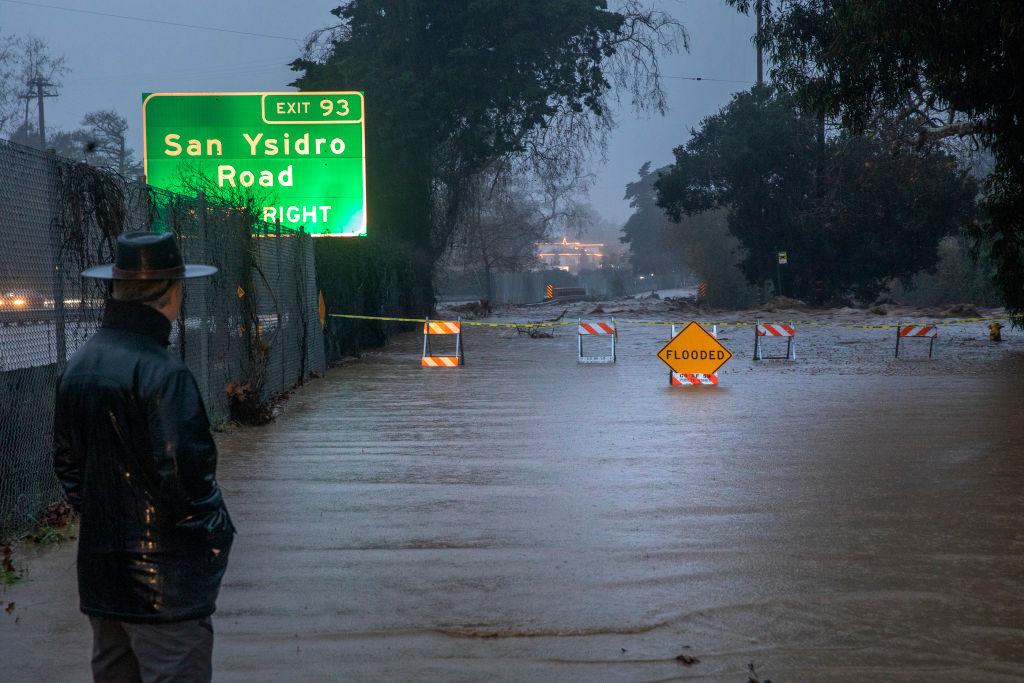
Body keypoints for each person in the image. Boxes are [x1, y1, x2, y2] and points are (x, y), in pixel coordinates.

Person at [54, 231, 235, 682]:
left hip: (102, 578)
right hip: (167, 590)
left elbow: (68, 466)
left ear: (116, 289)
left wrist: (104, 520)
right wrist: (215, 541)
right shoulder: (164, 373)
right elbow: (188, 481)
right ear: (173, 293)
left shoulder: (79, 365)